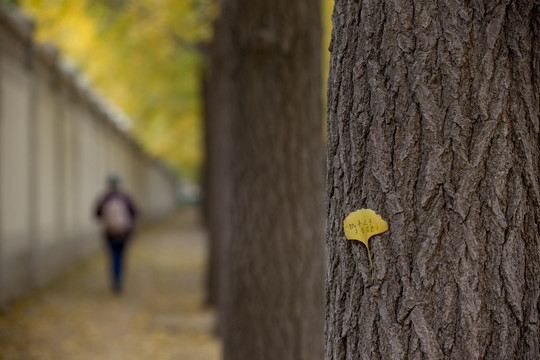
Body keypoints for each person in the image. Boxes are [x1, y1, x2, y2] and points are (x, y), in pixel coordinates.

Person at [95, 174, 138, 293]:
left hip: (110, 233)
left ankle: (115, 280)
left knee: (113, 257)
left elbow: (97, 214)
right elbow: (135, 212)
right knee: (121, 256)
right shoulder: (125, 197)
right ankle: (120, 280)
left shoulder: (104, 198)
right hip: (124, 232)